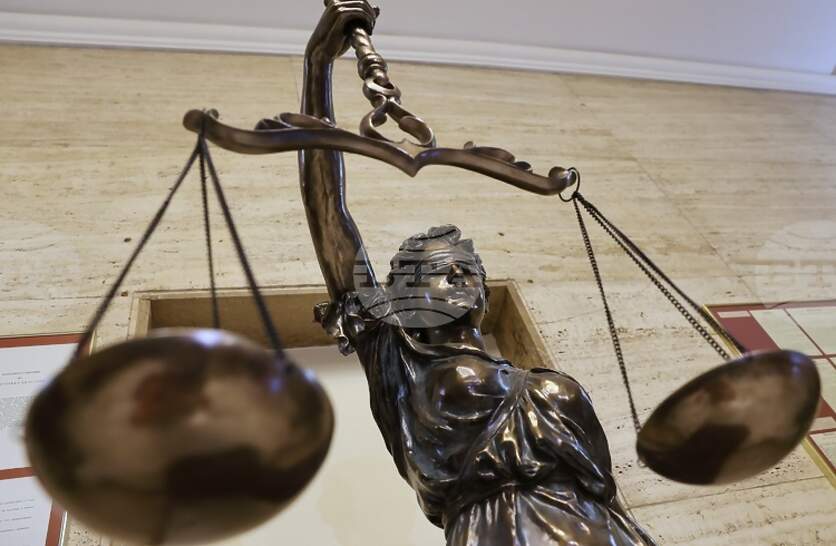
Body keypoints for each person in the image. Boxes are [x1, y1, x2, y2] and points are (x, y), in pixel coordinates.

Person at [299, 2, 657, 544]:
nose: (461, 280)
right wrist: (317, 66)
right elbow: (329, 212)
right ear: (401, 297)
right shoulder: (403, 360)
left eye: (469, 271)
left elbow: (610, 501)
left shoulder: (542, 385)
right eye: (438, 271)